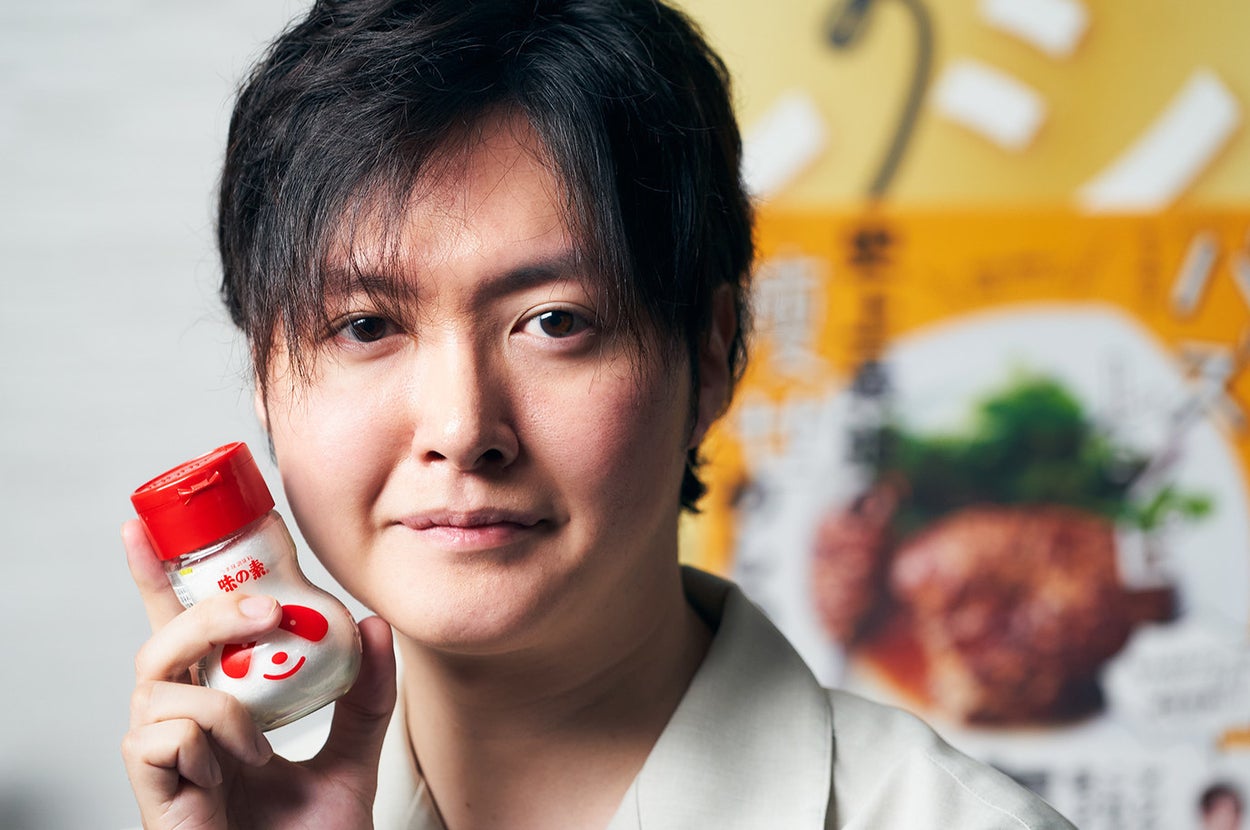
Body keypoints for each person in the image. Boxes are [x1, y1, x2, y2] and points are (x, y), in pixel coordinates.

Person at [120, 1, 1076, 827]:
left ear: (709, 354)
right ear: (263, 378)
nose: (461, 429)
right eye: (366, 325)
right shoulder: (254, 801)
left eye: (555, 321)